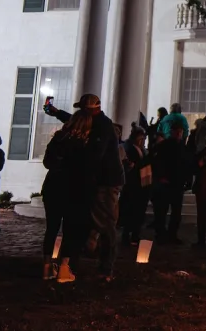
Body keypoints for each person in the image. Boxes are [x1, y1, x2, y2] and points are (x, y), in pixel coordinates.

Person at [41, 109, 92, 281]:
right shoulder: (84, 143)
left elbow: (47, 162)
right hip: (73, 189)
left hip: (53, 186)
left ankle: (47, 267)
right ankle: (64, 268)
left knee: (52, 228)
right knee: (70, 230)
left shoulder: (58, 138)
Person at [78, 94, 124, 282]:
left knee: (106, 222)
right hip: (105, 181)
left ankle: (106, 266)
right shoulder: (99, 124)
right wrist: (57, 113)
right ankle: (101, 260)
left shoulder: (102, 127)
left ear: (90, 110)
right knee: (104, 221)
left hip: (107, 182)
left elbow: (96, 155)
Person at [150, 122, 188, 243]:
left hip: (178, 183)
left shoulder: (182, 147)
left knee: (176, 212)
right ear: (171, 132)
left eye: (180, 131)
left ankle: (172, 234)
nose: (178, 133)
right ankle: (161, 234)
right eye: (176, 131)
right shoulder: (164, 146)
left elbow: (186, 164)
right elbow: (156, 162)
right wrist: (161, 176)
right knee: (162, 210)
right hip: (166, 183)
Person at [119, 127, 149, 246]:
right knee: (130, 211)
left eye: (143, 138)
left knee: (138, 212)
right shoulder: (129, 148)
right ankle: (127, 235)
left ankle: (135, 234)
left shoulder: (142, 150)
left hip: (142, 182)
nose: (142, 141)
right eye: (140, 138)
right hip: (132, 184)